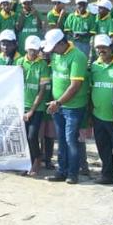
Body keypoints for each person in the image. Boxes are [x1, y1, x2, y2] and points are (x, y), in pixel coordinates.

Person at [45, 28, 88, 184]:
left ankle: (72, 173)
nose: (52, 51)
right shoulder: (56, 55)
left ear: (62, 43)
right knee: (61, 140)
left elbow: (75, 86)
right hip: (58, 106)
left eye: (54, 47)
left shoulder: (78, 57)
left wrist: (58, 102)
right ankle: (61, 171)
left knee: (71, 140)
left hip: (73, 107)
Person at [18, 36, 50, 176]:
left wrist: (31, 110)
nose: (33, 52)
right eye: (31, 49)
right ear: (26, 49)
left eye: (35, 50)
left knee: (32, 136)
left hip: (37, 108)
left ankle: (37, 159)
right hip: (20, 106)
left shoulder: (42, 65)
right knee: (22, 136)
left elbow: (42, 90)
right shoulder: (19, 62)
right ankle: (26, 163)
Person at [89, 34, 113, 185]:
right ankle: (107, 174)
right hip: (98, 115)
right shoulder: (94, 66)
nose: (101, 50)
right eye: (98, 47)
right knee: (103, 147)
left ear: (111, 48)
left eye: (104, 47)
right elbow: (90, 88)